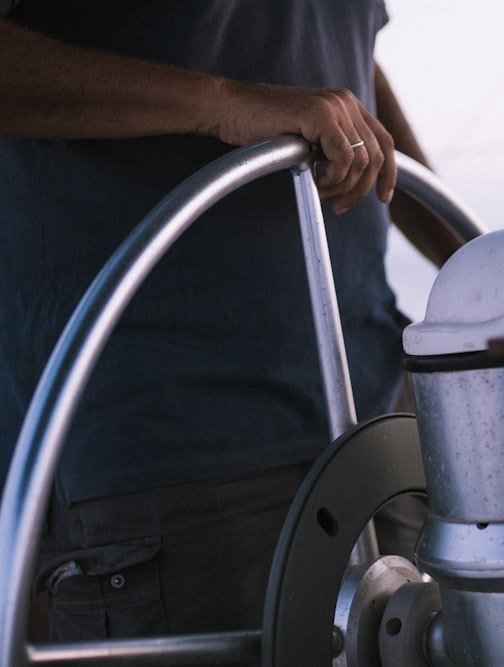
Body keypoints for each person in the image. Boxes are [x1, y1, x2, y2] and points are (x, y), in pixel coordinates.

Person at [0, 0, 459, 648]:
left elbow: (340, 69)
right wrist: (224, 102)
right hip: (170, 447)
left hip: (380, 420)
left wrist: (478, 263)